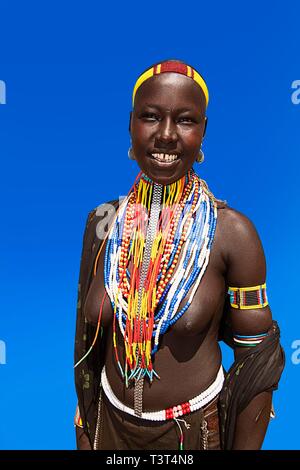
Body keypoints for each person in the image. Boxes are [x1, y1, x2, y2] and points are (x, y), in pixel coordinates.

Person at [73, 59, 285, 450]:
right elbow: (86, 338)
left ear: (203, 131)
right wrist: (86, 429)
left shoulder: (232, 233)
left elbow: (257, 361)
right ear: (131, 124)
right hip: (107, 427)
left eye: (185, 121)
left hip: (192, 436)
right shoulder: (105, 221)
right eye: (151, 117)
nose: (166, 135)